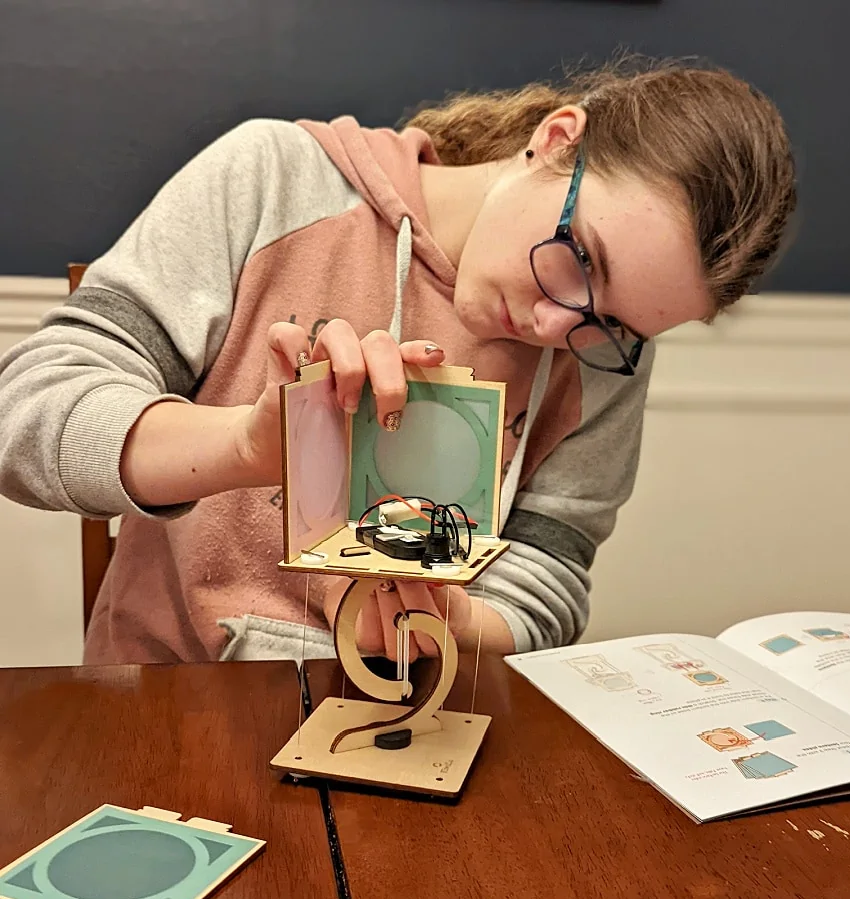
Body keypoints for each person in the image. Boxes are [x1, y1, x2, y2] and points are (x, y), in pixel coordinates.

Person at [0, 59, 796, 665]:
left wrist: (454, 623)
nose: (557, 324)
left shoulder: (601, 350)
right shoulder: (275, 180)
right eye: (579, 257)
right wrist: (246, 447)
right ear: (557, 141)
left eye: (617, 324)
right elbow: (27, 420)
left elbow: (553, 569)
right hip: (178, 699)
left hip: (420, 727)